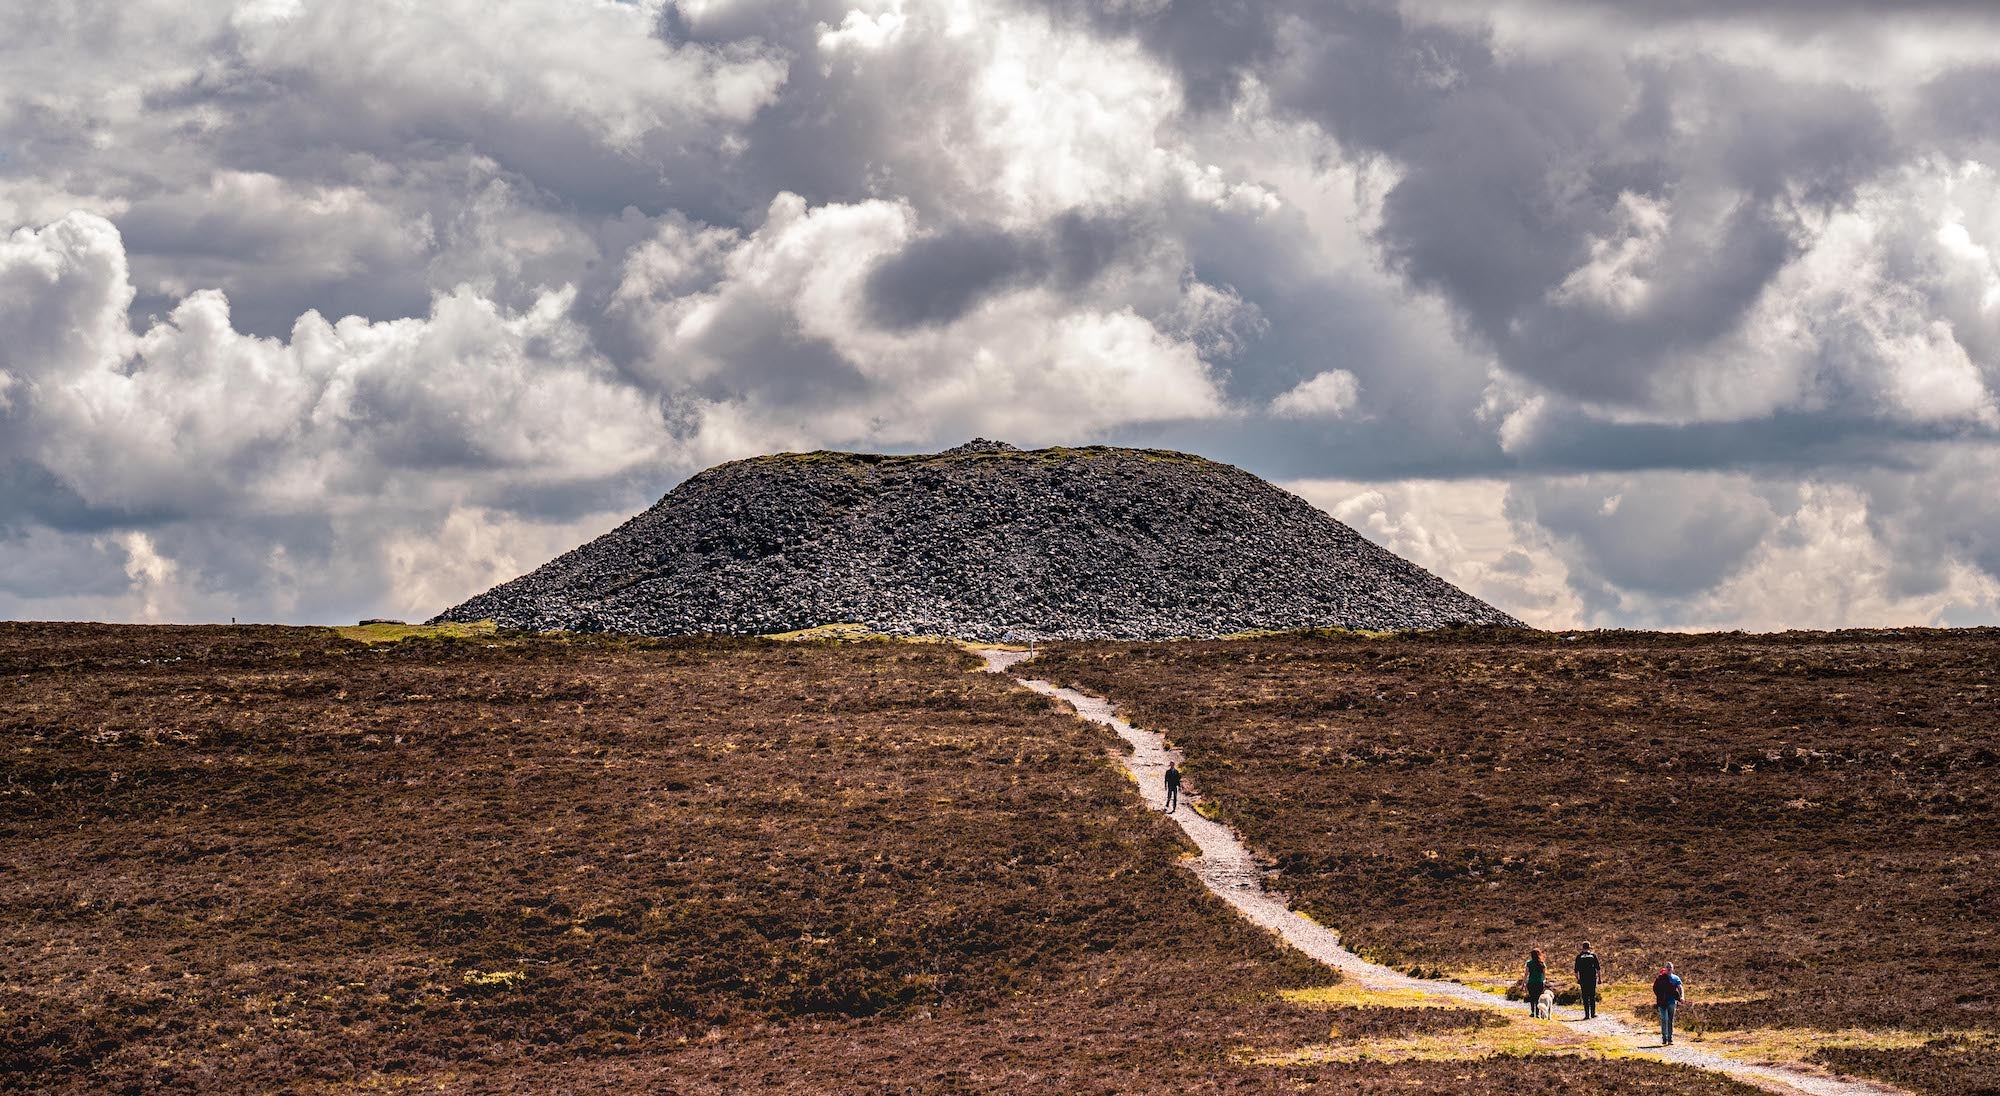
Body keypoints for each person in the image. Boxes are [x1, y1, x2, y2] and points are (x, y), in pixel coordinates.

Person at [1653, 962, 1685, 1045]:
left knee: (1670, 1020)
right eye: (1667, 967)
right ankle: (1664, 1038)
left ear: (1673, 968)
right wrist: (1660, 997)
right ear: (1665, 968)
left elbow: (1680, 987)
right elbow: (1655, 989)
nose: (1669, 968)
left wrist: (1682, 997)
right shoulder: (1660, 978)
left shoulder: (1676, 978)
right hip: (1662, 1002)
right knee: (1664, 1019)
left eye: (1670, 967)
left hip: (1672, 1002)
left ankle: (1670, 1039)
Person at [1574, 942, 1602, 1019]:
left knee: (1585, 996)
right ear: (1589, 947)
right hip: (1592, 978)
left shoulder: (1579, 957)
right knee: (1592, 996)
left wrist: (1578, 979)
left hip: (1583, 979)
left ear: (1582, 947)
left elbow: (1576, 970)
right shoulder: (1593, 956)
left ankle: (1587, 1015)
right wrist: (1600, 978)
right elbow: (1598, 968)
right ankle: (1593, 1013)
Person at [1525, 948, 1547, 1014]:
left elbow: (1526, 973)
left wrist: (1523, 982)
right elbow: (1544, 973)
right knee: (1538, 998)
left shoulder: (1529, 963)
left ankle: (1532, 1012)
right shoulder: (1542, 963)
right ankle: (1537, 1013)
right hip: (1539, 982)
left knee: (1532, 997)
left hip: (1531, 982)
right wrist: (1544, 980)